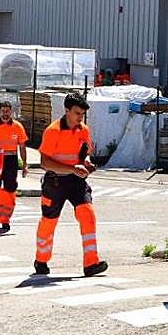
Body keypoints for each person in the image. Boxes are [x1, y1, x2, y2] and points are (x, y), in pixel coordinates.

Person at [34, 93, 108, 277]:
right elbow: (45, 162)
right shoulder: (53, 131)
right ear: (66, 111)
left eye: (82, 114)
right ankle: (41, 260)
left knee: (87, 214)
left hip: (76, 181)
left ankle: (91, 263)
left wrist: (87, 163)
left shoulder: (83, 129)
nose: (80, 117)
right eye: (77, 113)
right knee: (48, 222)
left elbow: (85, 153)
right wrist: (72, 168)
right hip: (55, 182)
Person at [0, 100, 28, 233]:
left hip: (11, 160)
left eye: (7, 111)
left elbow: (23, 147)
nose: (5, 114)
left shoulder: (18, 127)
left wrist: (24, 165)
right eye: (3, 111)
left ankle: (6, 220)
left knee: (10, 190)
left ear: (11, 111)